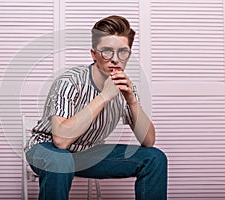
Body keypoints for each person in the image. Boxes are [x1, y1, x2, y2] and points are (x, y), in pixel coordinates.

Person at [25, 15, 167, 200]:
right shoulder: (70, 81)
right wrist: (105, 96)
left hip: (87, 152)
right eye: (107, 51)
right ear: (94, 54)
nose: (115, 59)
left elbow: (148, 141)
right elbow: (60, 141)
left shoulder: (125, 87)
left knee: (155, 158)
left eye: (123, 52)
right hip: (48, 149)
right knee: (61, 158)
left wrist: (132, 100)